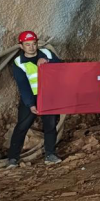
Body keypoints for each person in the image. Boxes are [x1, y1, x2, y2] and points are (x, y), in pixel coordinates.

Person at [6, 31, 64, 167]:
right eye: (27, 45)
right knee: (22, 127)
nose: (31, 47)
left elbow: (61, 67)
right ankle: (13, 158)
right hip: (30, 98)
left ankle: (50, 155)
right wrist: (31, 104)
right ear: (21, 46)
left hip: (49, 96)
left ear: (37, 43)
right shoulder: (19, 62)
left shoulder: (47, 53)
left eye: (33, 44)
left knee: (50, 126)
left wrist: (47, 61)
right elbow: (23, 85)